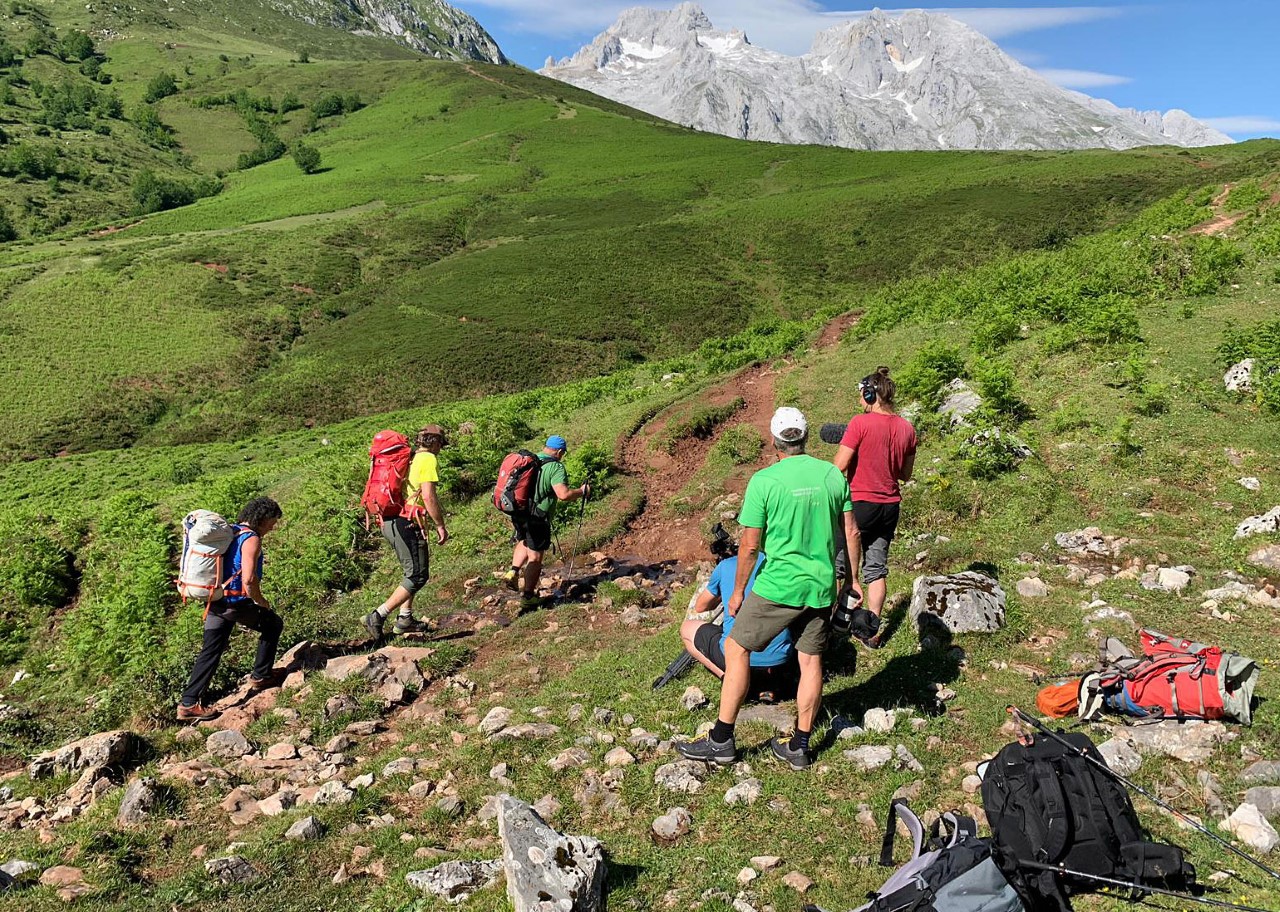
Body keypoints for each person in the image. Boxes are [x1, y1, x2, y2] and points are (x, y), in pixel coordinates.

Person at [677, 407, 858, 770]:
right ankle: (800, 746)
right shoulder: (831, 476)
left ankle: (722, 740)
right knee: (811, 661)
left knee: (736, 645)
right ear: (805, 437)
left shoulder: (764, 481)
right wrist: (851, 583)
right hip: (821, 586)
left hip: (779, 586)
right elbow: (850, 532)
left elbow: (749, 545)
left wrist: (739, 591)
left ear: (774, 441)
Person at [177, 497, 285, 722]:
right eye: (272, 522)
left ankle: (188, 703)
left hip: (216, 600)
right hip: (235, 603)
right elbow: (248, 578)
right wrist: (260, 601)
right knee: (273, 624)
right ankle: (261, 675)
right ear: (262, 519)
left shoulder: (230, 533)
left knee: (211, 651)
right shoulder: (251, 538)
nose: (272, 528)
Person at [833, 367, 917, 647]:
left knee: (839, 566)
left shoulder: (860, 423)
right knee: (877, 570)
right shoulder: (907, 428)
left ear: (870, 394)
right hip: (889, 506)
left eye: (861, 394)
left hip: (860, 503)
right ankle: (871, 632)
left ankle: (835, 623)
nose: (859, 399)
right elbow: (905, 474)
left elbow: (840, 466)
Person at [679, 544, 797, 701]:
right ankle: (771, 684)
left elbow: (701, 606)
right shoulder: (784, 564)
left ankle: (731, 681)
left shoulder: (726, 565)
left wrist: (724, 591)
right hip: (780, 664)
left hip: (738, 659)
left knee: (687, 629)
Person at [364, 425, 449, 639]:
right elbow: (428, 496)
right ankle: (378, 615)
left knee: (410, 571)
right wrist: (440, 524)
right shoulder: (428, 459)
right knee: (418, 575)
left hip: (391, 522)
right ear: (435, 442)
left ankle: (405, 618)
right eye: (440, 443)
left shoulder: (409, 456)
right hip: (408, 522)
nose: (441, 448)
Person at [501, 435, 589, 607]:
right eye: (563, 453)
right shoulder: (555, 467)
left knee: (524, 540)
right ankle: (528, 597)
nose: (562, 456)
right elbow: (563, 495)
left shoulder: (529, 460)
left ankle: (512, 572)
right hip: (537, 518)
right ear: (559, 451)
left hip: (519, 513)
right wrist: (581, 491)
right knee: (535, 556)